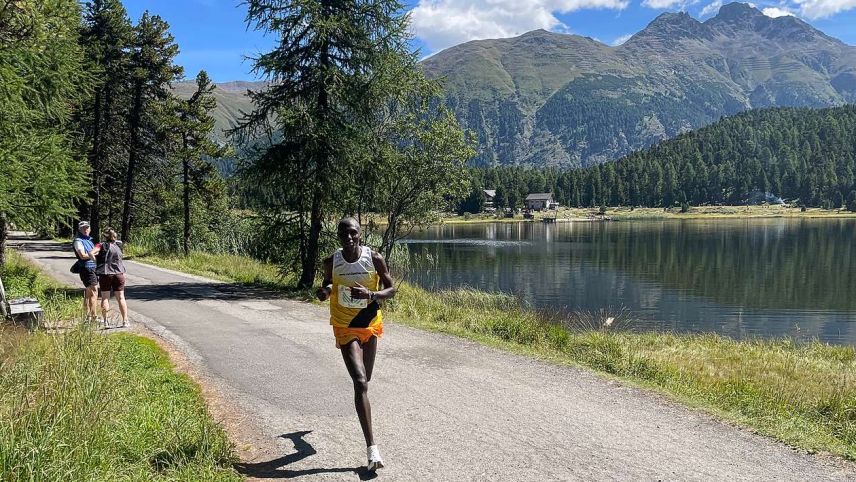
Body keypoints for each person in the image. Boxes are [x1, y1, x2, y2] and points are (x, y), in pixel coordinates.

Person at [316, 217, 396, 472]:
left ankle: (299, 440)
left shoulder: (375, 258)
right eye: (343, 234)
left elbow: (391, 289)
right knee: (360, 381)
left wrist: (372, 295)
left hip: (370, 322)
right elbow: (328, 282)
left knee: (366, 379)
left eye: (353, 233)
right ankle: (372, 450)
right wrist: (326, 291)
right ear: (338, 236)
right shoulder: (332, 261)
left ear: (360, 234)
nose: (348, 237)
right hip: (344, 324)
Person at [89, 228, 128, 327]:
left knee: (105, 298)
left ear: (104, 236)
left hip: (105, 274)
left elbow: (91, 253)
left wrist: (96, 261)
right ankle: (125, 321)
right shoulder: (119, 244)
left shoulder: (101, 245)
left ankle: (106, 321)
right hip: (119, 273)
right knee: (121, 298)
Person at [72, 221, 98, 320]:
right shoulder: (78, 241)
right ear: (79, 229)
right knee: (94, 291)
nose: (85, 230)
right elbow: (82, 256)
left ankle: (86, 316)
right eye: (83, 228)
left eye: (87, 228)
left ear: (90, 229)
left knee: (88, 293)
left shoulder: (90, 240)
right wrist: (95, 255)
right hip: (86, 268)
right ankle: (94, 316)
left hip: (93, 268)